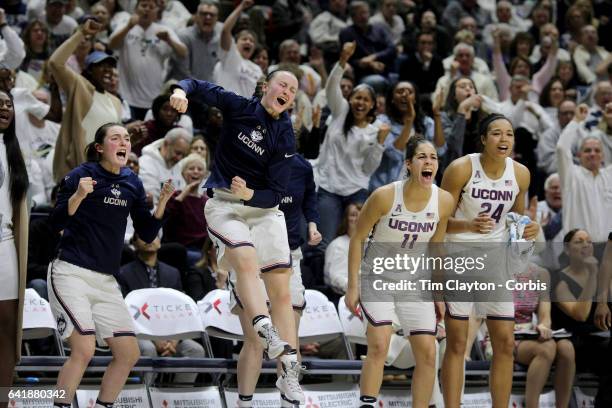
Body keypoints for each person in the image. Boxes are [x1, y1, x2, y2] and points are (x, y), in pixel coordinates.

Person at [169, 68, 304, 404]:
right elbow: (199, 84)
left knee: (282, 290)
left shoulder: (285, 135)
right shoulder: (239, 106)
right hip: (224, 205)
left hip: (261, 209)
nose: (286, 90)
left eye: (293, 89)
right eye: (282, 84)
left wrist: (250, 196)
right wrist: (181, 91)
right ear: (266, 87)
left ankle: (288, 373)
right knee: (244, 259)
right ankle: (264, 329)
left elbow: (274, 195)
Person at [48, 123, 174, 408]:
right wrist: (79, 196)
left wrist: (163, 203)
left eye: (127, 139)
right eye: (115, 138)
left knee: (128, 354)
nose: (124, 143)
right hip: (71, 271)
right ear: (100, 148)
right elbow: (54, 223)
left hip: (105, 280)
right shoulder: (81, 175)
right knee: (83, 350)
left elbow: (147, 233)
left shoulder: (132, 181)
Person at [345, 136, 454, 408]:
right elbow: (358, 238)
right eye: (422, 157)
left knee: (428, 353)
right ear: (408, 163)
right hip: (378, 276)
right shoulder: (384, 196)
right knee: (380, 345)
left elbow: (437, 247)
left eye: (433, 157)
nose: (429, 162)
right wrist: (352, 286)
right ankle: (367, 404)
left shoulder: (443, 201)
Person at [440, 113, 540, 408]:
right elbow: (437, 221)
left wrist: (527, 229)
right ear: (483, 139)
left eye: (508, 134)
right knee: (458, 343)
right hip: (459, 256)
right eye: (496, 133)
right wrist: (467, 226)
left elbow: (515, 223)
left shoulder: (520, 173)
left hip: (495, 261)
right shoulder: (461, 169)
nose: (504, 139)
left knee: (506, 344)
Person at [230, 151, 321, 408]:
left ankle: (289, 401)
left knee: (291, 338)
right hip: (252, 253)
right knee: (256, 339)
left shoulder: (302, 166)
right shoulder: (247, 161)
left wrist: (312, 223)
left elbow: (310, 198)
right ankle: (244, 403)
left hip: (289, 253)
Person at [314, 41, 388, 254]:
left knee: (359, 242)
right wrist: (343, 60)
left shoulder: (376, 131)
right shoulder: (340, 111)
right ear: (350, 99)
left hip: (357, 190)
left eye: (366, 100)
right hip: (329, 188)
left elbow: (369, 168)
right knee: (324, 242)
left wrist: (380, 143)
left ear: (373, 105)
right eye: (357, 97)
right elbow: (330, 88)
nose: (360, 103)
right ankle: (321, 287)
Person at [117, 233, 205, 386]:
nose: (149, 238)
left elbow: (181, 310)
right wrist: (155, 340)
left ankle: (178, 395)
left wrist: (175, 340)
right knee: (148, 349)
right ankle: (145, 395)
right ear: (134, 243)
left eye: (154, 235)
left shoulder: (173, 273)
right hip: (139, 334)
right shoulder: (124, 273)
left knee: (195, 350)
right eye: (143, 236)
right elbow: (125, 312)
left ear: (160, 242)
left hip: (171, 334)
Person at [49, 18, 122, 182]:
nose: (108, 70)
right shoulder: (80, 86)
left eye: (110, 66)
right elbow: (55, 63)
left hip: (105, 174)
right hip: (77, 170)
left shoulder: (115, 101)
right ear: (89, 71)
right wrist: (81, 33)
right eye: (101, 65)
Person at [0, 89, 30, 404]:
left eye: (9, 104)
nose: (4, 108)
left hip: (5, 243)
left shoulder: (13, 151)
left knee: (7, 328)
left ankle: (3, 397)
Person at [512, 262, 575, 408]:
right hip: (502, 334)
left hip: (529, 333)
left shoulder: (541, 274)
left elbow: (545, 314)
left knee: (567, 348)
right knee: (546, 348)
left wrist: (544, 326)